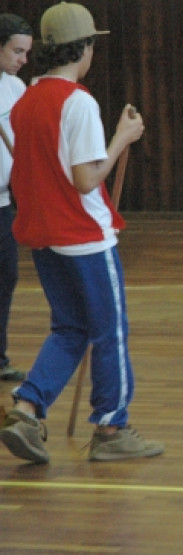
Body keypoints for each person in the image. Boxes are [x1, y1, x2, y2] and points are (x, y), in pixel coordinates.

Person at [1, 2, 163, 463]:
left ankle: (27, 409)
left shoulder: (26, 100)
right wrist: (122, 138)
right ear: (85, 47)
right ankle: (113, 428)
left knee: (70, 327)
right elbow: (87, 178)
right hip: (83, 235)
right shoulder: (78, 102)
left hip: (43, 236)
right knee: (109, 330)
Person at [0, 14, 32, 383]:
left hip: (5, 202)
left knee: (5, 277)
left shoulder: (15, 88)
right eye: (17, 51)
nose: (22, 59)